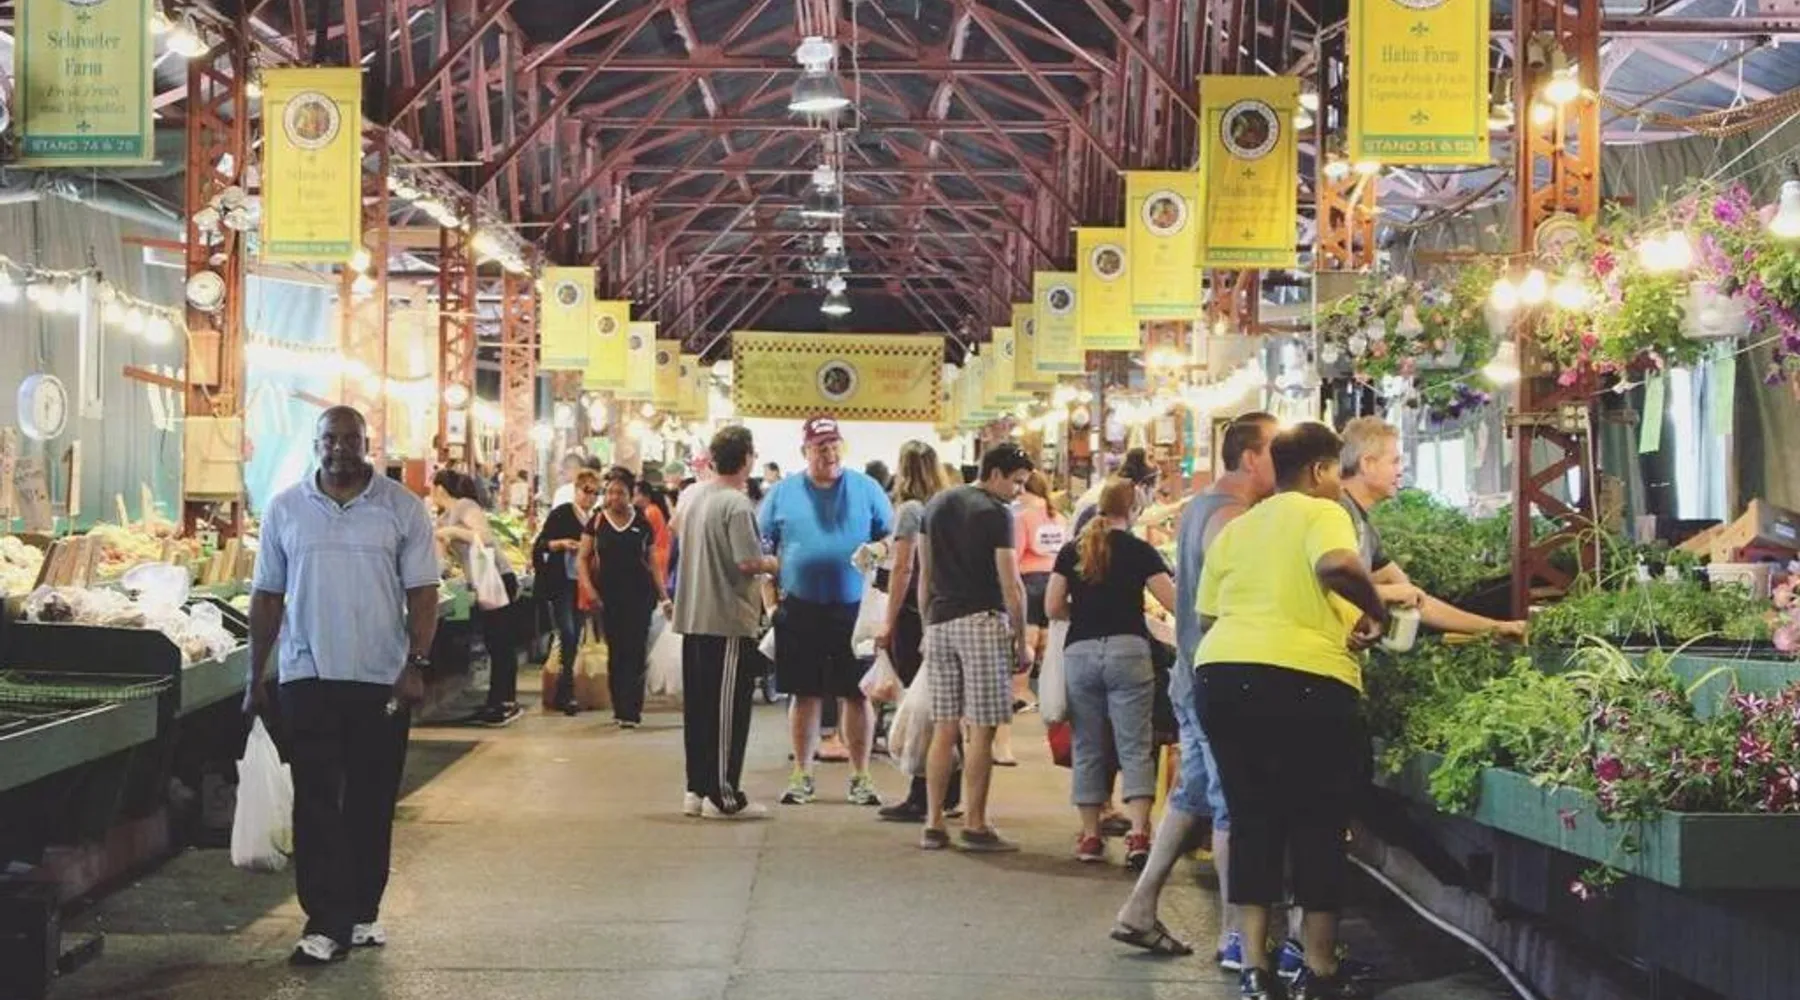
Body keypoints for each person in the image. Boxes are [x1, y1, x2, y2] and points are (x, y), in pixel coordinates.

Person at [1193, 421, 1390, 1000]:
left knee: (1252, 820)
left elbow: (1207, 616)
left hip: (1222, 676)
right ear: (1319, 470)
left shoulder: (1238, 527)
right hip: (1306, 681)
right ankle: (1320, 968)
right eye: (1335, 472)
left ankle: (1255, 968)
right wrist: (1374, 611)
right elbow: (1338, 566)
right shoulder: (1322, 511)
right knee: (1318, 822)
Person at [245, 407, 441, 965]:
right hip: (307, 675)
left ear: (365, 443)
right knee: (316, 800)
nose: (339, 448)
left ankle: (361, 911)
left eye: (350, 439)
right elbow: (267, 596)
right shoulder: (286, 509)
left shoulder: (402, 508)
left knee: (372, 799)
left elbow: (423, 593)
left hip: (380, 679)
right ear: (317, 443)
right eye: (329, 438)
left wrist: (415, 665)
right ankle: (325, 919)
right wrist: (256, 673)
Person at [1114, 411, 1278, 961]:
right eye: (1275, 451)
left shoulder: (1202, 507)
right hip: (1218, 676)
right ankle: (1236, 937)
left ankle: (1139, 907)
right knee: (1233, 804)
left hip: (1192, 673)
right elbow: (1234, 591)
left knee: (1192, 795)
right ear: (1251, 457)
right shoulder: (1229, 516)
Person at [760, 416, 895, 806]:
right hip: (800, 608)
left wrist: (881, 548)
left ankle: (861, 777)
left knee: (857, 694)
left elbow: (894, 537)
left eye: (835, 445)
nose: (829, 453)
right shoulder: (782, 494)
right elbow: (761, 550)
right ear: (805, 451)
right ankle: (802, 775)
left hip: (854, 610)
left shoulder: (866, 489)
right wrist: (771, 604)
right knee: (805, 694)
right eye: (821, 447)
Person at [1046, 474, 1177, 870]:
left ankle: (1090, 835)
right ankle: (1138, 835)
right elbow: (1170, 600)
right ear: (1133, 510)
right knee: (1134, 745)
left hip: (1081, 653)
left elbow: (1052, 606)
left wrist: (1084, 613)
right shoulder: (1139, 550)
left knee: (1088, 745)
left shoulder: (1072, 549)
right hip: (1128, 651)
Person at [916, 442, 1034, 852]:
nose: (1018, 491)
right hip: (982, 622)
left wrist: (926, 624)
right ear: (995, 473)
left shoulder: (936, 504)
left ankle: (933, 822)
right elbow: (1011, 583)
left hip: (940, 622)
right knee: (982, 730)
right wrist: (1021, 639)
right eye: (1016, 482)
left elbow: (924, 575)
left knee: (944, 727)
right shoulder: (996, 513)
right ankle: (975, 822)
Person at [1338, 417, 1528, 640]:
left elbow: (1416, 600)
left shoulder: (1366, 528)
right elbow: (1327, 586)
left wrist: (1499, 627)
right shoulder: (1336, 511)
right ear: (1367, 464)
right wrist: (1387, 593)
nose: (1400, 471)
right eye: (1394, 461)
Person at [673, 425, 777, 819]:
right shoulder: (736, 504)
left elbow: (676, 529)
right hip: (726, 619)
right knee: (727, 713)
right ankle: (723, 795)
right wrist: (775, 563)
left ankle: (697, 789)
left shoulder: (693, 496)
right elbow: (747, 561)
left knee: (699, 710)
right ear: (747, 458)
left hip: (693, 616)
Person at [873, 441, 961, 823]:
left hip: (916, 613)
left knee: (919, 704)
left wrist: (889, 619)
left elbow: (904, 568)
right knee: (945, 704)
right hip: (947, 607)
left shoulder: (910, 510)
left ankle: (921, 793)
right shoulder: (949, 506)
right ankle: (950, 790)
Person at [580, 467, 671, 728]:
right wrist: (589, 589)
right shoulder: (596, 522)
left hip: (640, 596)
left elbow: (652, 562)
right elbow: (582, 559)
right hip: (608, 597)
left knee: (636, 650)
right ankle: (619, 706)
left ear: (630, 495)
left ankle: (632, 710)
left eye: (620, 493)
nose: (614, 497)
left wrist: (664, 597)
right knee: (617, 651)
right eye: (610, 492)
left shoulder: (642, 524)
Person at [430, 469, 523, 727]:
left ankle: (505, 703)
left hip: (497, 577)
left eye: (432, 487)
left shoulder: (464, 506)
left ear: (440, 488)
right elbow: (440, 561)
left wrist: (453, 531)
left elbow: (485, 537)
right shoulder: (443, 520)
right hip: (480, 583)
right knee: (494, 641)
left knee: (501, 642)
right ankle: (497, 700)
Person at [532, 468, 603, 716]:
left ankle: (567, 689)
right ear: (576, 490)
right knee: (568, 632)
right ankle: (566, 689)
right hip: (562, 581)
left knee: (576, 634)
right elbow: (541, 544)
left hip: (582, 584)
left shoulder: (595, 519)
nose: (590, 497)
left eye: (595, 493)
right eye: (586, 491)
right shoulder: (562, 514)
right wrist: (562, 544)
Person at [635, 479, 673, 589]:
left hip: (656, 557)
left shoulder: (650, 512)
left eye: (636, 495)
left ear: (646, 496)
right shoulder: (654, 509)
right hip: (660, 554)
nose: (633, 499)